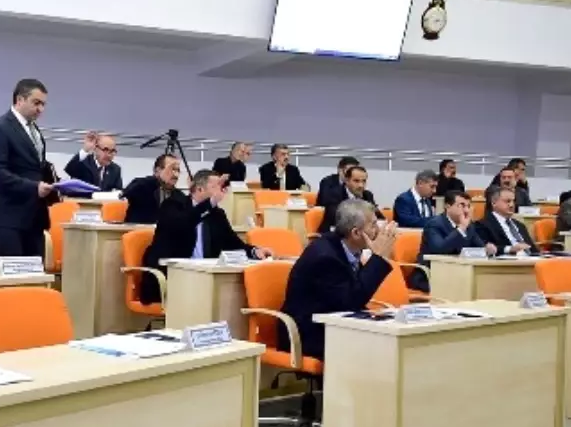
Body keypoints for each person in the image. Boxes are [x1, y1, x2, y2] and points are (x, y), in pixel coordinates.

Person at [278, 201, 397, 361]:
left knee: (388, 339)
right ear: (356, 233)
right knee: (379, 347)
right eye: (373, 225)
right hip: (308, 334)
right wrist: (378, 258)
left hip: (334, 323)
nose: (379, 230)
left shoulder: (344, 247)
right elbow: (352, 301)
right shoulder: (325, 256)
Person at [138, 170, 272, 305]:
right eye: (215, 187)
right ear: (199, 189)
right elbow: (185, 222)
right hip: (174, 276)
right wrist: (210, 203)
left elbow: (233, 243)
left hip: (205, 275)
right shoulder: (172, 205)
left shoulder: (217, 214)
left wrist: (255, 251)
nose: (220, 191)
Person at [0, 78, 57, 261]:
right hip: (7, 217)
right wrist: (34, 187)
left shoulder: (34, 131)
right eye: (36, 103)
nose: (41, 109)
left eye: (43, 104)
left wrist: (56, 185)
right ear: (19, 99)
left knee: (35, 275)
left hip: (33, 217)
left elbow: (34, 169)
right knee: (13, 275)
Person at [419, 190, 495, 263]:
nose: (466, 210)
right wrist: (461, 229)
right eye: (461, 205)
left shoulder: (469, 225)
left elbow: (479, 247)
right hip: (433, 267)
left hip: (459, 266)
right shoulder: (434, 224)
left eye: (468, 206)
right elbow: (439, 249)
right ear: (447, 206)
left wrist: (487, 249)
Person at [122, 154, 184, 224]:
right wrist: (157, 179)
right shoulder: (142, 186)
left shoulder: (179, 197)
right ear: (157, 171)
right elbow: (123, 195)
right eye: (171, 169)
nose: (176, 174)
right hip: (139, 230)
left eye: (178, 170)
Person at [477, 186, 539, 255]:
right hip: (507, 260)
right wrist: (510, 249)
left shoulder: (520, 225)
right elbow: (485, 248)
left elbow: (533, 249)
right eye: (507, 201)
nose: (512, 205)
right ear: (494, 203)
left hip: (531, 259)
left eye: (513, 201)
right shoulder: (482, 225)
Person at [320, 165, 383, 233]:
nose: (361, 185)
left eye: (364, 181)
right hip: (335, 233)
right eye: (356, 181)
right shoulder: (333, 194)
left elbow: (380, 217)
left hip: (359, 233)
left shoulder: (367, 195)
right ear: (347, 180)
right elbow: (340, 219)